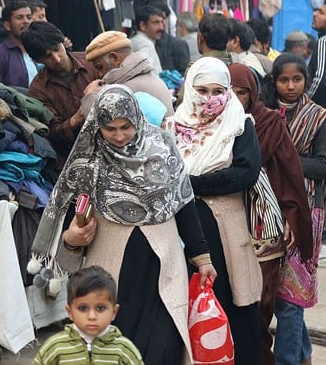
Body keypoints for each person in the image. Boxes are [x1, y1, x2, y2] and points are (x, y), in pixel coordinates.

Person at [31, 85, 214, 364]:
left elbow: (184, 202)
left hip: (163, 268)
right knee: (114, 348)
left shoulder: (162, 147)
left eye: (125, 127)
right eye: (110, 128)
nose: (118, 136)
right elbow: (70, 213)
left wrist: (202, 257)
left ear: (137, 119)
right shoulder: (88, 157)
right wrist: (72, 237)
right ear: (98, 126)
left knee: (164, 347)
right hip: (111, 272)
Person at [167, 57, 263, 364]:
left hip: (226, 232)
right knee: (188, 305)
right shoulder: (171, 126)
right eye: (202, 90)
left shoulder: (239, 124)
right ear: (190, 89)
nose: (210, 99)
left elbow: (245, 172)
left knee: (234, 306)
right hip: (181, 233)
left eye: (218, 90)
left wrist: (190, 184)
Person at [228, 63, 312, 365]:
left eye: (243, 92)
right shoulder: (210, 126)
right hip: (227, 223)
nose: (237, 99)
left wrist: (291, 214)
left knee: (263, 304)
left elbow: (289, 170)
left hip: (264, 225)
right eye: (231, 92)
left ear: (254, 93)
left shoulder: (269, 123)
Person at [259, 53, 326, 365]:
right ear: (274, 81)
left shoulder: (317, 118)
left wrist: (284, 160)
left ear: (305, 80)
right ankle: (303, 353)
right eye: (284, 80)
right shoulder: (263, 116)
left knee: (290, 297)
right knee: (281, 293)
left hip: (306, 214)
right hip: (267, 212)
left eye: (297, 79)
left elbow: (325, 167)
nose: (291, 86)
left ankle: (287, 360)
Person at [33, 266, 144, 365]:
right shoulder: (56, 347)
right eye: (83, 308)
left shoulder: (123, 350)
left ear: (114, 312)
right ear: (70, 312)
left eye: (100, 308)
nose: (92, 316)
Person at [22, 21, 99, 163]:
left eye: (57, 49)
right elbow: (52, 134)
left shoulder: (92, 61)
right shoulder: (38, 88)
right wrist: (76, 119)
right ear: (38, 60)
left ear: (63, 41)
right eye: (47, 56)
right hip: (76, 156)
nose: (56, 59)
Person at [82, 31, 174, 116]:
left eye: (100, 67)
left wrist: (90, 95)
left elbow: (96, 123)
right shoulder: (150, 77)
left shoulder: (123, 89)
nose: (99, 74)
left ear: (114, 58)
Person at [0, 0, 37, 88]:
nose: (26, 21)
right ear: (7, 25)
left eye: (29, 17)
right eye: (19, 18)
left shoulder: (36, 50)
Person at [308, 0, 326, 112]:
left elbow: (321, 81)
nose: (315, 14)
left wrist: (305, 102)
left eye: (321, 12)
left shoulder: (324, 42)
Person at [151, 3, 190, 74]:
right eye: (156, 21)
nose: (161, 24)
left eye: (163, 19)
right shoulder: (141, 43)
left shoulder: (178, 45)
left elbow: (185, 73)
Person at [128, 5, 164, 75]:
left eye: (162, 22)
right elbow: (143, 68)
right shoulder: (145, 44)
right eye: (156, 23)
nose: (161, 28)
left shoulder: (134, 40)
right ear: (143, 26)